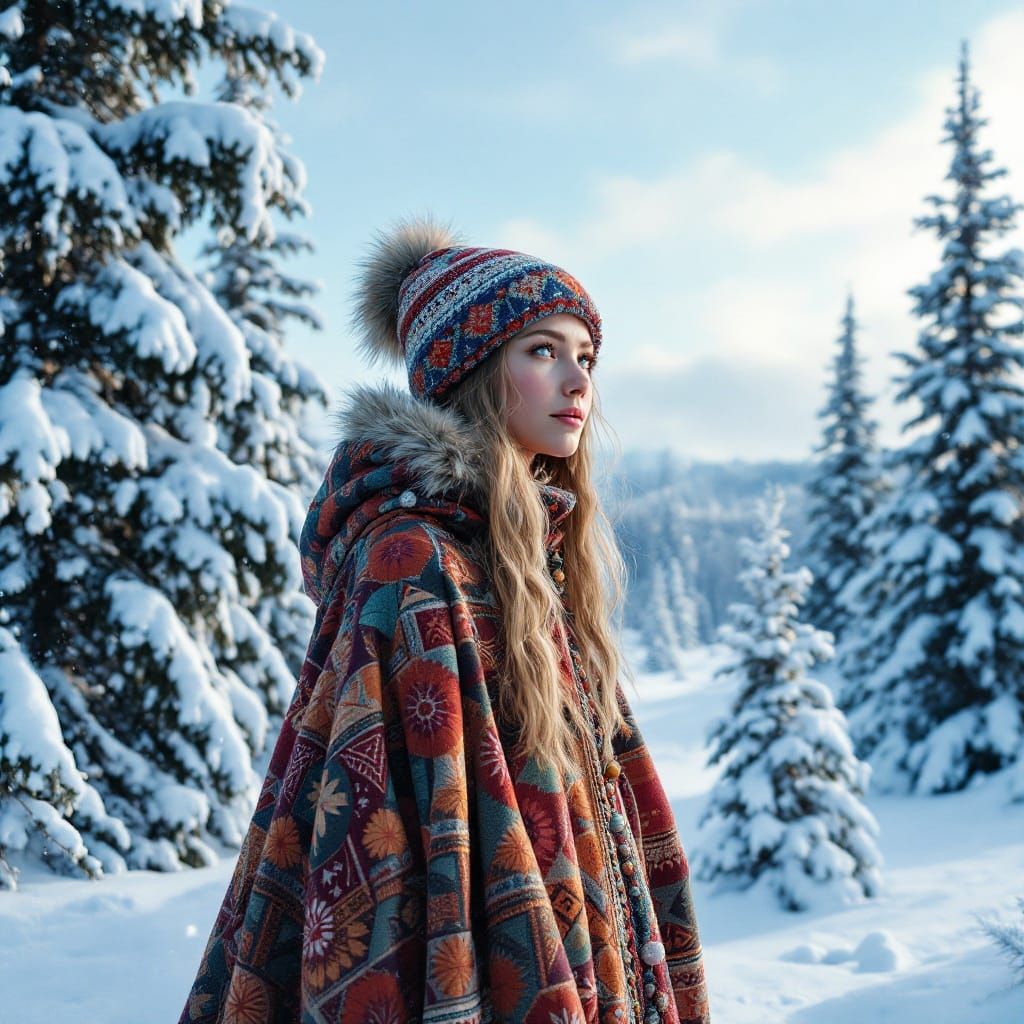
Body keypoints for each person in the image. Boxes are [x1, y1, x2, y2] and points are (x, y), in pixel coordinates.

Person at [178, 217, 711, 1024]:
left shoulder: (524, 552)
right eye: (542, 351)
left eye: (585, 357)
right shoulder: (415, 559)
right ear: (471, 372)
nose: (577, 381)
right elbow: (382, 838)